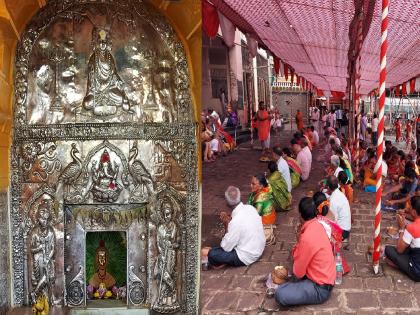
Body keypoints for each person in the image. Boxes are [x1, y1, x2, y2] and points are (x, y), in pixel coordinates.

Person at [275, 197, 335, 306]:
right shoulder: (318, 225)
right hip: (326, 277)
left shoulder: (306, 237)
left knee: (280, 293)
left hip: (320, 288)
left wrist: (299, 242)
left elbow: (298, 273)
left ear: (301, 216)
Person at [207, 186, 266, 267]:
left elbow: (226, 248)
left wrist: (226, 223)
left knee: (212, 254)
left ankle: (216, 263)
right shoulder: (250, 208)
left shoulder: (235, 222)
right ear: (240, 197)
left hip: (247, 256)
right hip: (259, 248)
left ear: (227, 203)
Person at [384, 196, 420, 281]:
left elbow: (399, 249)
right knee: (410, 247)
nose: (408, 208)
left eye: (410, 207)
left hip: (417, 272)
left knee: (388, 250)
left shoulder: (412, 227)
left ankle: (402, 267)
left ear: (414, 212)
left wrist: (402, 228)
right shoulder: (413, 225)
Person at [326, 175, 351, 240]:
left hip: (343, 231)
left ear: (328, 187)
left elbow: (333, 220)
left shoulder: (333, 200)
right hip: (346, 227)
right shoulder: (340, 193)